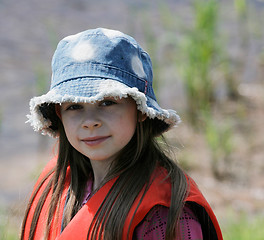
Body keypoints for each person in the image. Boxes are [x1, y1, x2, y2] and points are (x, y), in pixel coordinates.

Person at [21, 28, 222, 240]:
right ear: (59, 114)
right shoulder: (58, 186)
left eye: (108, 102)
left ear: (140, 111)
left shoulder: (163, 218)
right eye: (74, 106)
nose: (90, 122)